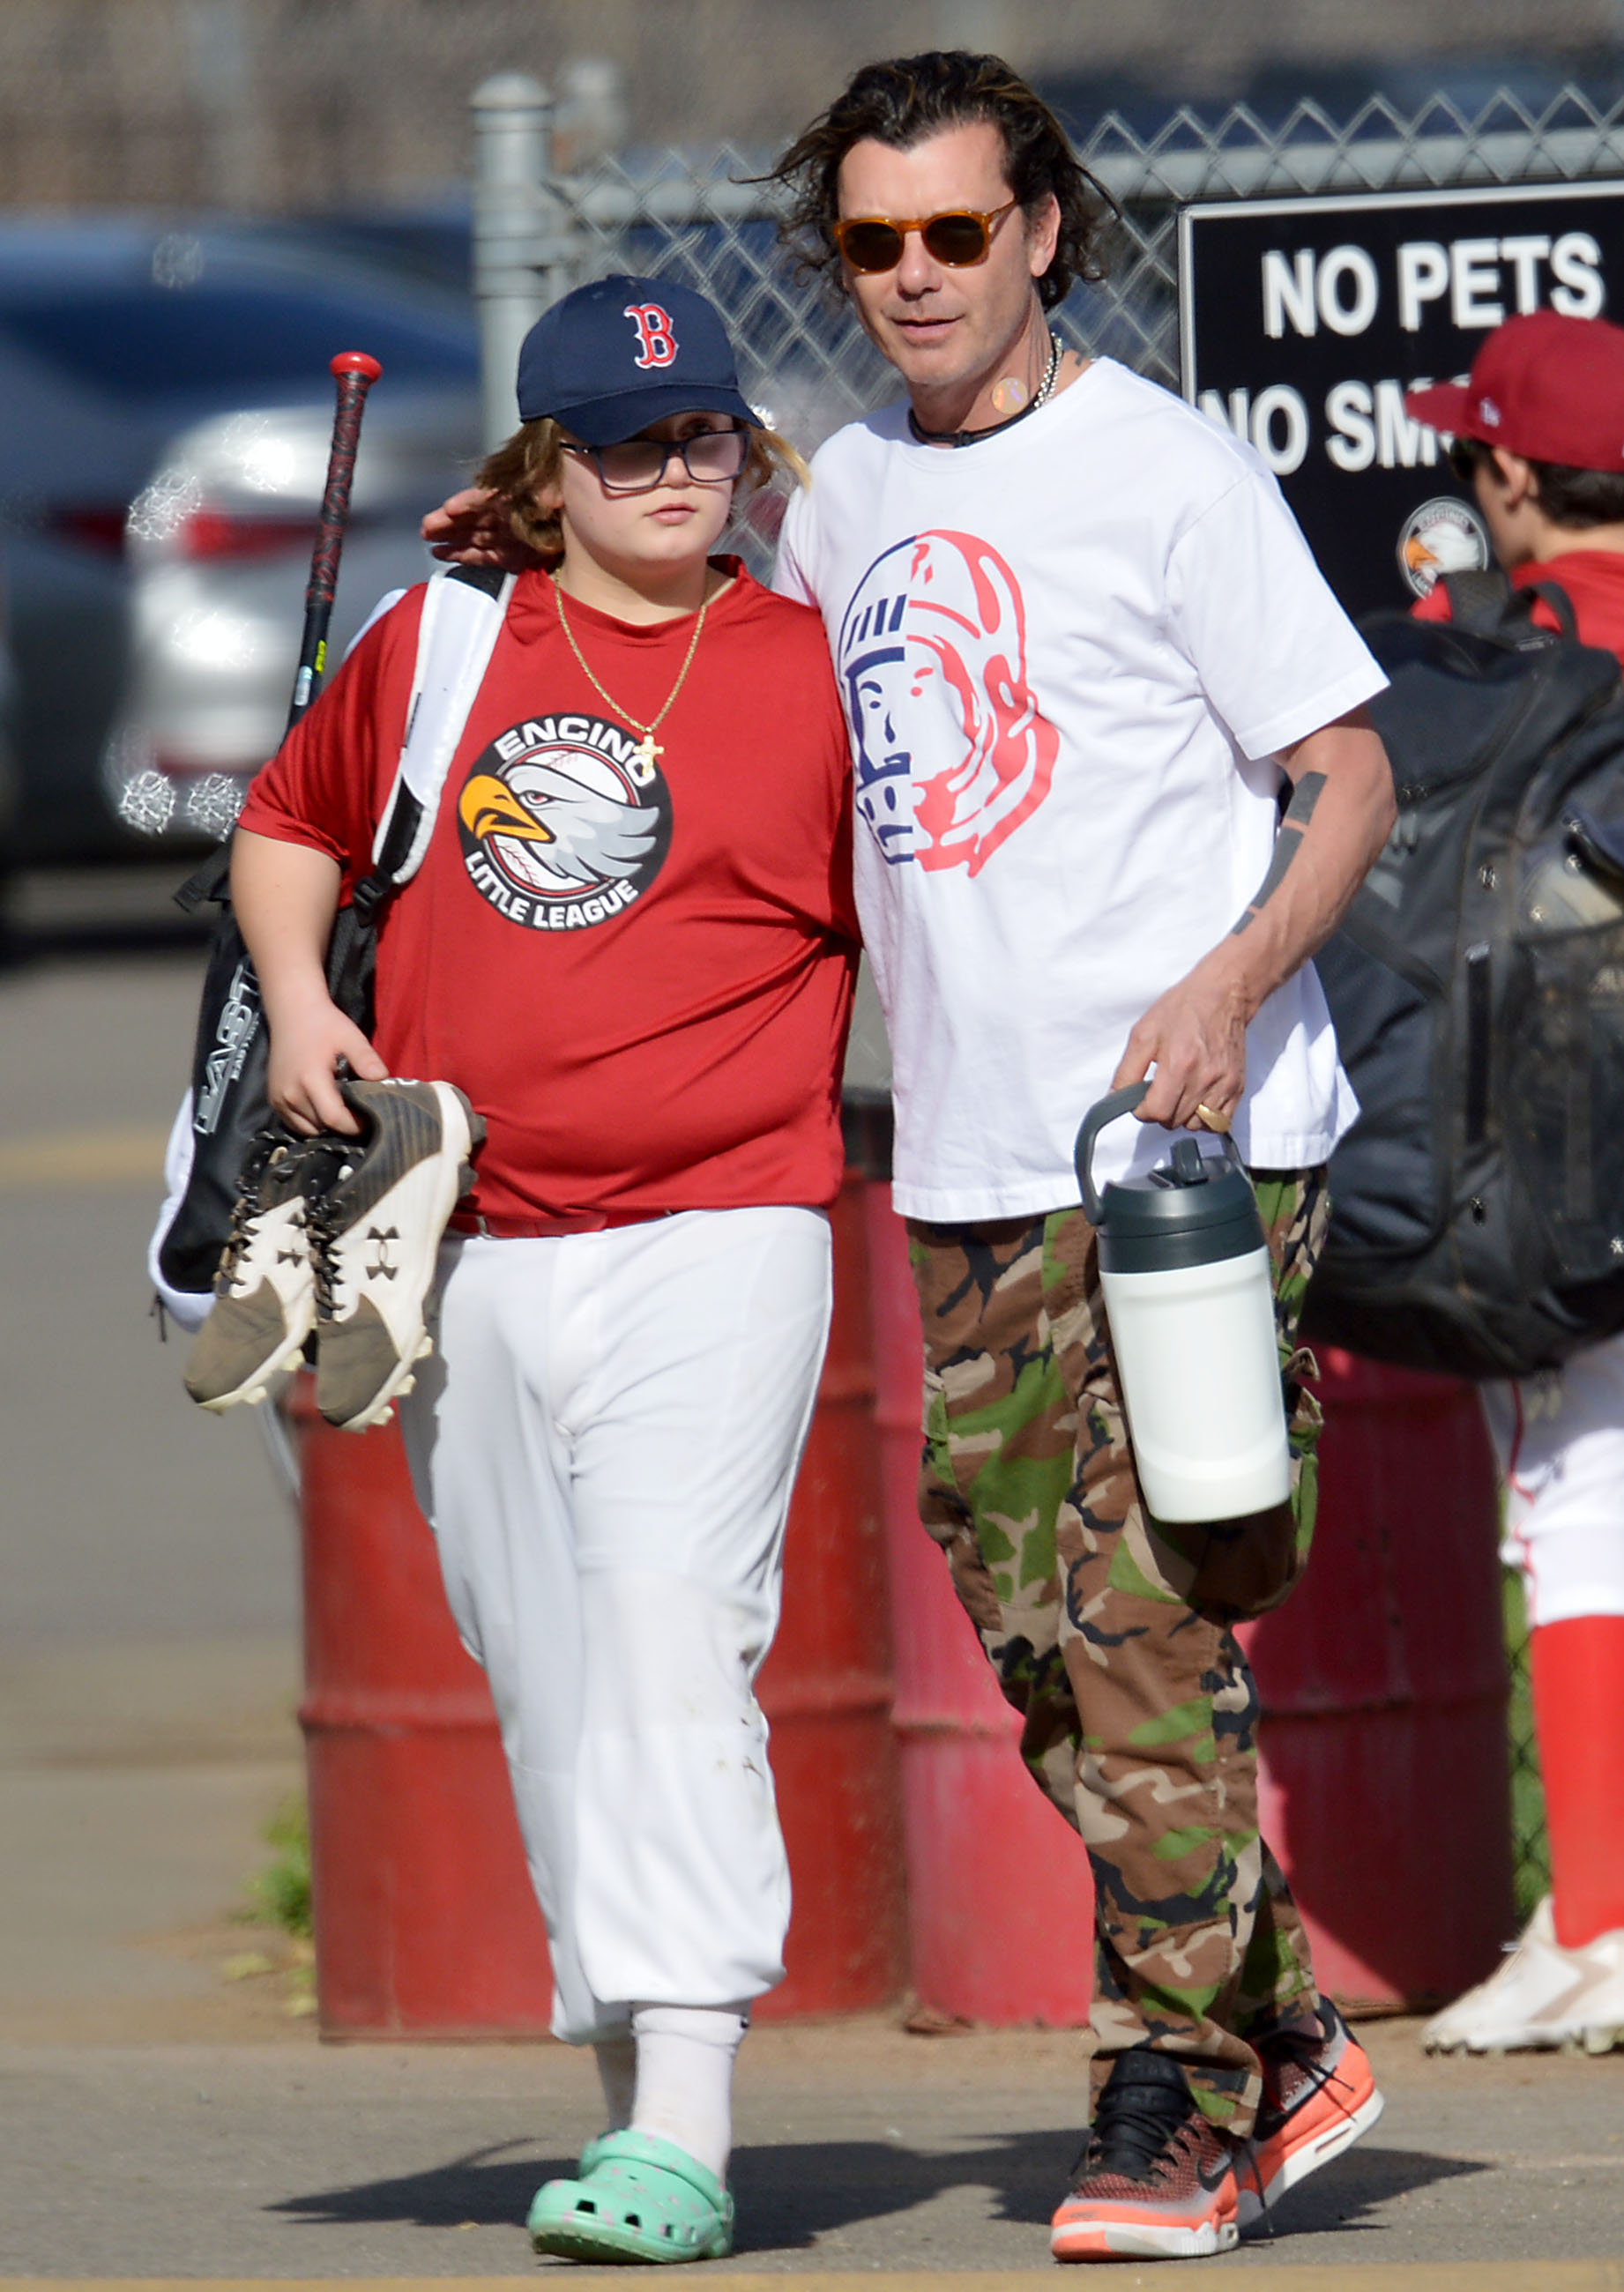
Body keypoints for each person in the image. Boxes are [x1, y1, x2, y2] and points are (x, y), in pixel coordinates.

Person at [425, 52, 1397, 2265]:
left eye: (959, 232)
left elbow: (1347, 776)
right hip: (961, 1163)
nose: (919, 277)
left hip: (1182, 1155)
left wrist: (1227, 993)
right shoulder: (843, 490)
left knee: (1147, 1622)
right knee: (1035, 1646)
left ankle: (1174, 2091)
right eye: (873, 245)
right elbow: (683, 584)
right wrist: (526, 542)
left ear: (1043, 228)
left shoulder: (1167, 471)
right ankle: (1279, 2022)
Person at [235, 273, 860, 2265]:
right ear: (545, 465)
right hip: (470, 1239)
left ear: (745, 447)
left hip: (730, 1221)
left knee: (676, 1631)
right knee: (556, 1673)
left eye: (699, 437)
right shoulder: (445, 639)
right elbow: (284, 824)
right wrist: (294, 1005)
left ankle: (689, 2121)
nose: (668, 471)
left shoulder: (817, 655)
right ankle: (630, 2106)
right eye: (620, 443)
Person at [1404, 310, 1624, 2058]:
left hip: (1561, 1148)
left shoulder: (1502, 642)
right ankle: (1594, 1905)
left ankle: (1606, 1917)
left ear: (1509, 475)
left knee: (1575, 1502)